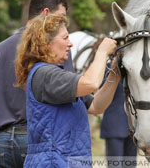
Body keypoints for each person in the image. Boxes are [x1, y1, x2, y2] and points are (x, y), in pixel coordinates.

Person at [0, 0, 72, 168]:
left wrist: (8, 104)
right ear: (46, 13)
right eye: (60, 17)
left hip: (2, 141)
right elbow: (69, 94)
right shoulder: (55, 48)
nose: (63, 23)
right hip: (37, 139)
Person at [14, 14, 119, 167]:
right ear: (45, 42)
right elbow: (91, 83)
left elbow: (97, 106)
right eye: (65, 38)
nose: (70, 44)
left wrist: (115, 73)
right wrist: (102, 52)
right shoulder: (46, 75)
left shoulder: (57, 75)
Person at [100, 68, 138, 168]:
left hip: (133, 127)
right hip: (114, 125)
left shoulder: (135, 68)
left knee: (130, 165)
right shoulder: (108, 68)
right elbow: (101, 89)